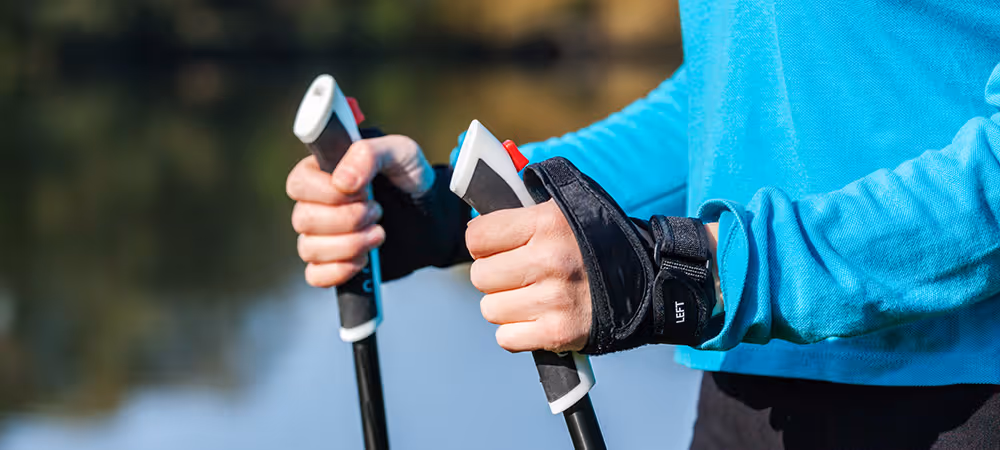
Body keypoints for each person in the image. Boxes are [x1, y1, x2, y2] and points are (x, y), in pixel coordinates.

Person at [285, 1, 1000, 447]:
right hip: (746, 389)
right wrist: (457, 208)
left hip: (963, 399)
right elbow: (726, 100)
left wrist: (698, 272)